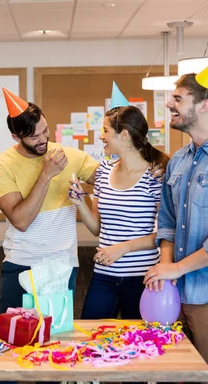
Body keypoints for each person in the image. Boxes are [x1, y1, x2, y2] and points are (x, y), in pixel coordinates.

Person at [143, 61, 208, 384]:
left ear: (204, 105)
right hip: (177, 297)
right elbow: (167, 221)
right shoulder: (179, 160)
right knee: (180, 376)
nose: (169, 104)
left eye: (178, 98)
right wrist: (166, 274)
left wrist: (175, 270)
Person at [0, 89, 99, 315]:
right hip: (22, 262)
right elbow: (20, 220)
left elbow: (112, 181)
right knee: (15, 333)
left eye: (46, 131)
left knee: (57, 334)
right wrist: (46, 175)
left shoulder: (70, 156)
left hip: (61, 263)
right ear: (16, 137)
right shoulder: (0, 165)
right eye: (34, 136)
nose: (44, 140)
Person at [68, 106, 169, 320]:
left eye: (105, 131)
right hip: (104, 275)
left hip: (141, 277)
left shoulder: (154, 175)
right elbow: (97, 228)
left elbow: (165, 234)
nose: (101, 137)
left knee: (138, 345)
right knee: (91, 337)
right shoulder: (104, 171)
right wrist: (79, 203)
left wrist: (121, 249)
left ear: (124, 135)